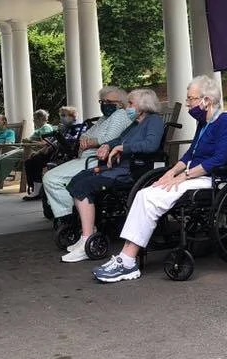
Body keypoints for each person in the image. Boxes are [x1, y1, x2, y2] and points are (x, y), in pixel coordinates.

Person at [90, 75, 227, 283]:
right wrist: (171, 172)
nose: (188, 103)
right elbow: (191, 154)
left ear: (207, 100)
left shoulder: (226, 121)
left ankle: (128, 261)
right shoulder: (204, 122)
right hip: (197, 175)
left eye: (191, 99)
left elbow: (219, 159)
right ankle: (126, 256)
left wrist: (184, 176)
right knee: (144, 193)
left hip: (216, 177)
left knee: (153, 197)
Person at [60, 89, 166, 262]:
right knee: (77, 180)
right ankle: (89, 232)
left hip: (133, 171)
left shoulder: (154, 121)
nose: (127, 107)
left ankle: (87, 240)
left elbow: (151, 145)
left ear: (143, 106)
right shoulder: (135, 123)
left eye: (131, 103)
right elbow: (119, 139)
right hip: (118, 168)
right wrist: (107, 145)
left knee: (84, 186)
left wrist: (123, 148)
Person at [42, 87, 131, 226]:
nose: (104, 104)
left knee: (51, 178)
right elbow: (86, 134)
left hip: (99, 160)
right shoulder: (105, 118)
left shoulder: (120, 115)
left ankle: (71, 218)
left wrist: (89, 142)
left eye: (109, 101)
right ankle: (75, 216)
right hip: (87, 157)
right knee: (51, 175)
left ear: (120, 103)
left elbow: (109, 139)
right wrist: (86, 140)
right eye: (102, 101)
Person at [0, 109, 54, 193]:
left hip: (31, 151)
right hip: (25, 148)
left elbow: (45, 143)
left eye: (34, 119)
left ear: (40, 119)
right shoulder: (41, 128)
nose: (33, 121)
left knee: (4, 159)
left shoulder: (46, 128)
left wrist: (29, 141)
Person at [22, 106, 81, 200]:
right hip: (55, 151)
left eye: (64, 115)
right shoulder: (63, 127)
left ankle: (37, 191)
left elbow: (71, 142)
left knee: (36, 160)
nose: (61, 118)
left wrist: (51, 146)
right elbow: (51, 140)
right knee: (29, 161)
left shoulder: (78, 127)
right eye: (61, 116)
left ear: (73, 116)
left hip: (66, 153)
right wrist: (40, 151)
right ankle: (35, 188)